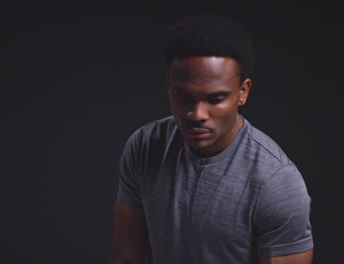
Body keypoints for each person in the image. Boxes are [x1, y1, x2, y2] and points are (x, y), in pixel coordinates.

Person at [109, 15, 313, 264]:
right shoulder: (145, 146)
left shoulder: (276, 182)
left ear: (243, 92)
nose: (197, 114)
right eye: (183, 97)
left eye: (215, 99)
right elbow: (125, 258)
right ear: (168, 85)